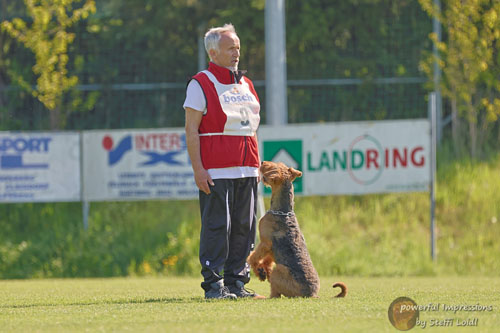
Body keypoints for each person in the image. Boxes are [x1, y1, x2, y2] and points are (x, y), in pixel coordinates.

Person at [183, 24, 263, 299]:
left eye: (238, 47)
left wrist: (258, 165)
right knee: (218, 227)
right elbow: (191, 129)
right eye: (231, 48)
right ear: (213, 52)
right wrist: (198, 169)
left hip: (248, 168)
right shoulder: (200, 83)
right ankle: (214, 286)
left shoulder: (246, 83)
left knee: (244, 228)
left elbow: (251, 129)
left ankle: (236, 283)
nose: (236, 53)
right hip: (216, 170)